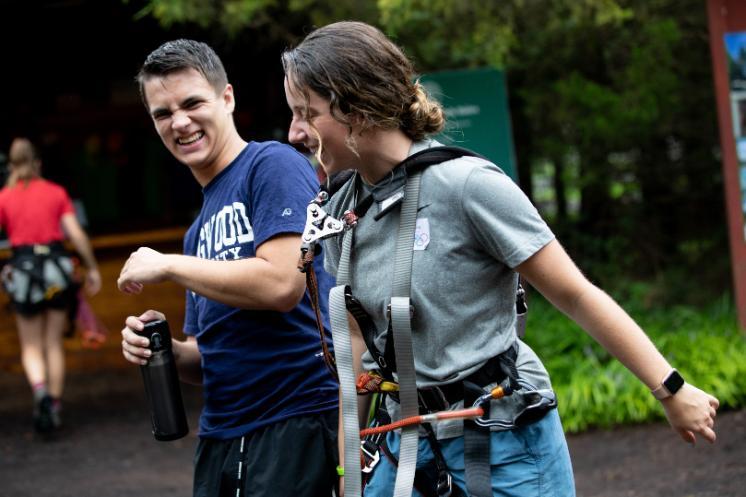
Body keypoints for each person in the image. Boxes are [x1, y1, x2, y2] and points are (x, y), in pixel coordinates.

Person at [282, 21, 720, 497]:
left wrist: (671, 390)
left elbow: (574, 294)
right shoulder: (341, 209)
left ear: (359, 109)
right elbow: (354, 343)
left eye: (308, 113)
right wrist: (348, 473)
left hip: (504, 439)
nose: (294, 132)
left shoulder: (467, 186)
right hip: (408, 443)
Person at [117, 39, 339, 497]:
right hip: (220, 436)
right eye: (162, 113)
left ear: (227, 98)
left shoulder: (271, 165)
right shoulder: (196, 231)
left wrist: (170, 266)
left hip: (295, 420)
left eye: (192, 103)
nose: (179, 122)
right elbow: (206, 358)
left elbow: (282, 284)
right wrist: (164, 348)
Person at [0, 137, 101, 433]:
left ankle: (40, 391)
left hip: (22, 273)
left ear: (11, 166)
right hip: (56, 271)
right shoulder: (56, 193)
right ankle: (54, 405)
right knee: (52, 342)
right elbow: (76, 235)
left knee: (30, 345)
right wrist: (92, 267)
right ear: (38, 163)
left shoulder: (4, 197)